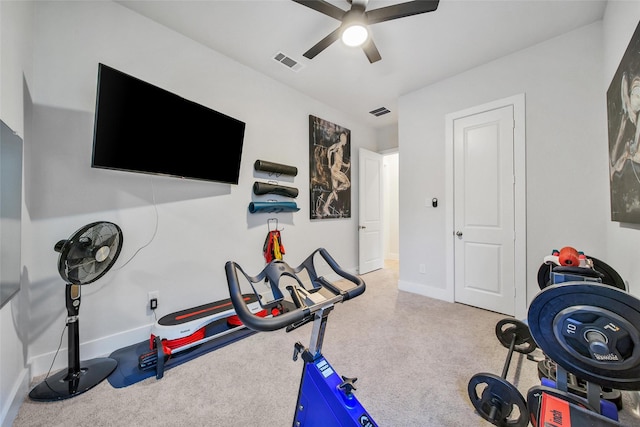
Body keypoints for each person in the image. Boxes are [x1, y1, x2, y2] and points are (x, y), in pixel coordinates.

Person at [322, 132, 350, 216]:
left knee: (334, 192)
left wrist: (346, 165)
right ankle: (335, 190)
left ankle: (326, 207)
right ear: (342, 139)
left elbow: (339, 161)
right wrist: (329, 163)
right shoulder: (338, 145)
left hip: (336, 170)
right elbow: (329, 151)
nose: (346, 141)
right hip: (335, 171)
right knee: (347, 183)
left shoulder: (340, 147)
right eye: (345, 139)